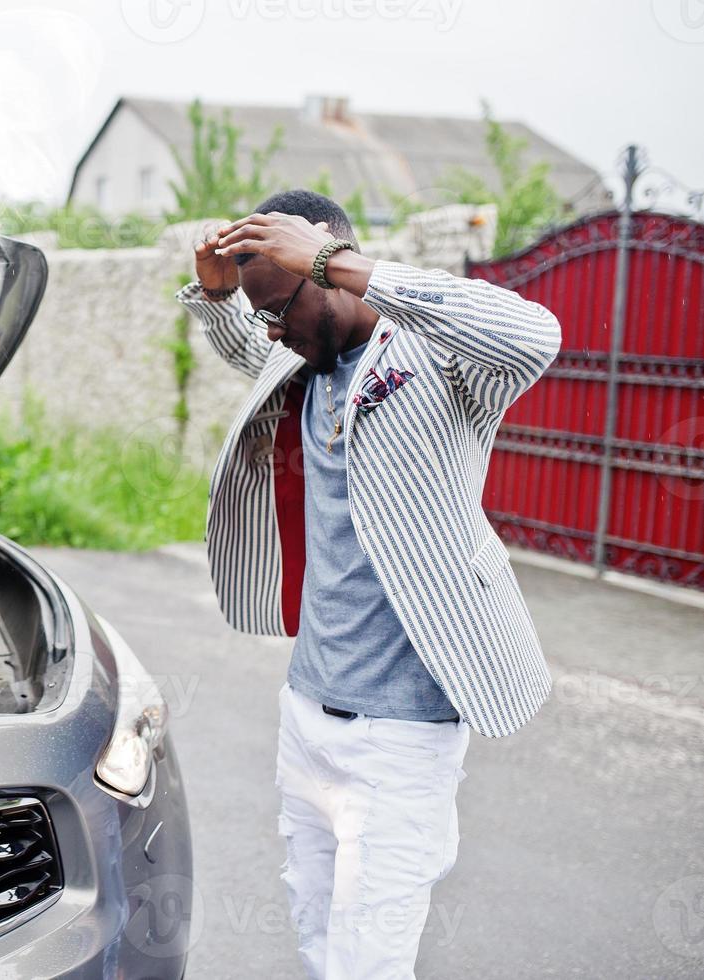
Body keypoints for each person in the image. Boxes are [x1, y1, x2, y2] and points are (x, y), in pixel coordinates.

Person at [177, 189, 561, 979]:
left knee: (371, 958)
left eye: (280, 305)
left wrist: (336, 263)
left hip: (402, 733)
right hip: (306, 710)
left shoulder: (440, 362)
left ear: (327, 269)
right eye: (263, 317)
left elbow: (533, 333)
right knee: (317, 932)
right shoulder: (301, 359)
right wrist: (220, 296)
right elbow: (249, 349)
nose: (271, 331)